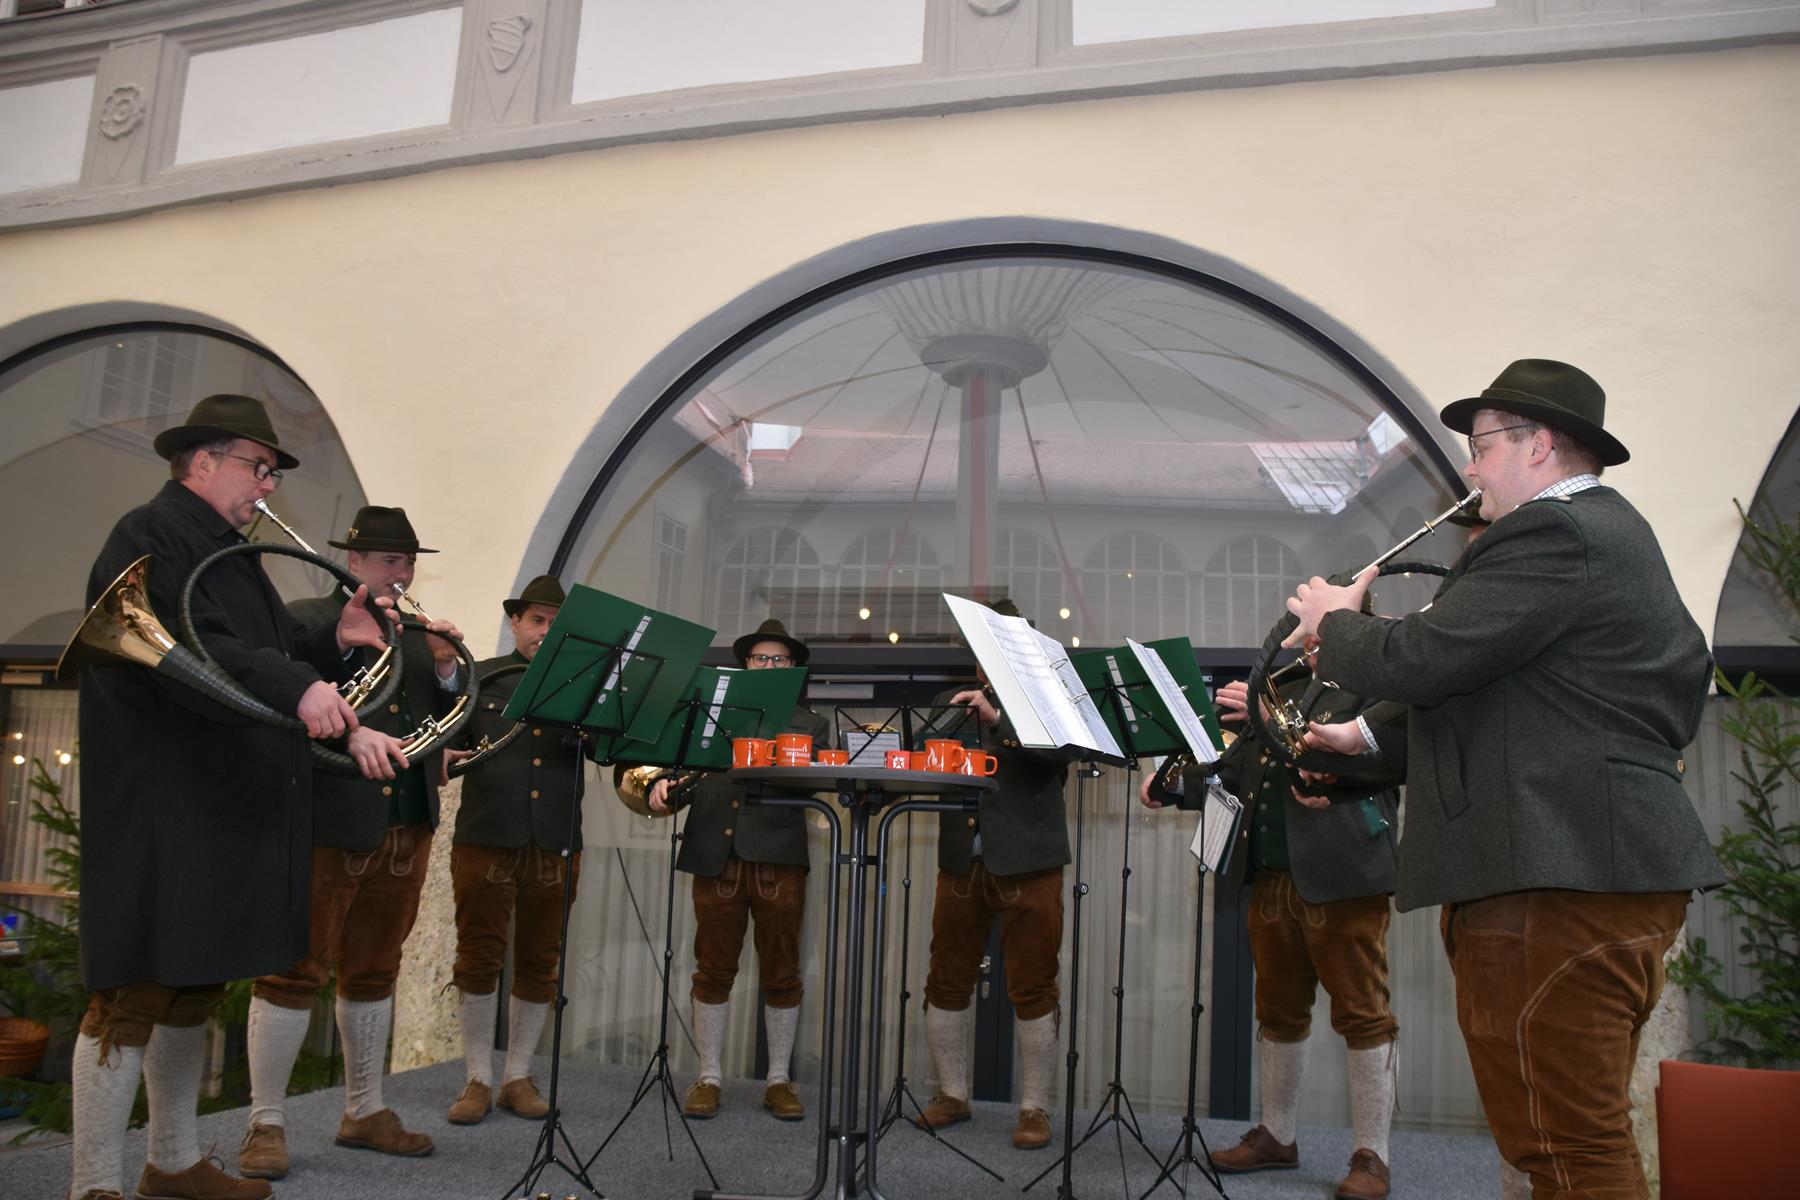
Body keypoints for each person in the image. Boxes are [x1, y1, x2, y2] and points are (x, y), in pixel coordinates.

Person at [1286, 360, 1725, 1200]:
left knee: (1567, 1145)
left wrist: (1337, 624)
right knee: (1556, 1139)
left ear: (1540, 446)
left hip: (1559, 878)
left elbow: (1430, 657)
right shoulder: (1596, 538)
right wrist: (1358, 739)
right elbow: (1501, 695)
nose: (1469, 468)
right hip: (1581, 873)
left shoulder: (1556, 533)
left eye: (1481, 446)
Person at [69, 394, 401, 1200]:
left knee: (194, 983)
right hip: (167, 804)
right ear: (202, 460)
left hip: (220, 804)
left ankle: (172, 1163)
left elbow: (265, 648)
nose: (267, 485)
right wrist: (299, 686)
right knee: (132, 993)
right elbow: (203, 646)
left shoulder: (229, 551)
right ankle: (92, 1184)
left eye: (271, 472)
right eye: (259, 467)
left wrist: (331, 641)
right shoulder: (151, 533)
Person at [240, 506, 464, 1179]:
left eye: (409, 562)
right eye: (391, 561)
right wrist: (341, 646)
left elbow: (445, 720)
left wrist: (447, 668)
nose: (403, 573)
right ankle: (264, 1122)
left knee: (375, 969)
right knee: (293, 970)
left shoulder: (419, 634)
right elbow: (279, 700)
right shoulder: (308, 617)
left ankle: (364, 1110)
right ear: (355, 562)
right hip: (329, 823)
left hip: (406, 826)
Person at [1141, 660, 1402, 1200]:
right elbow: (1237, 772)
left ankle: (1372, 1155)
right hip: (1269, 875)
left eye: (1313, 625)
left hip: (1346, 873)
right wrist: (1173, 786)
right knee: (1279, 1012)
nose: (1303, 636)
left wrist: (1267, 715)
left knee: (1363, 1013)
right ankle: (1278, 1137)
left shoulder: (1377, 679)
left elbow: (1379, 759)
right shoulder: (1283, 685)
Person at [646, 617, 828, 1121]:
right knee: (712, 969)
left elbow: (811, 784)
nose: (768, 665)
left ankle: (778, 1080)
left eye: (778, 659)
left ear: (793, 668)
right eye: (759, 658)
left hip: (779, 858)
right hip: (715, 852)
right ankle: (708, 1076)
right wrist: (661, 782)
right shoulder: (708, 709)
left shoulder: (810, 723)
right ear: (745, 664)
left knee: (782, 972)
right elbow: (679, 767)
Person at [914, 599, 1072, 1151]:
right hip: (962, 860)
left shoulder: (1048, 699)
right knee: (946, 977)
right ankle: (952, 1094)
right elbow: (926, 761)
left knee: (1033, 984)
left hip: (1031, 863)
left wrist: (998, 720)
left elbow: (1060, 758)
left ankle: (1035, 1107)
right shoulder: (949, 701)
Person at [442, 574, 587, 1125]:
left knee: (539, 962)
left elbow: (607, 750)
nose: (544, 631)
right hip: (486, 837)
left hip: (556, 842)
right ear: (515, 623)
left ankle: (517, 1076)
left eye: (555, 623)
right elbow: (445, 738)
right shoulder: (480, 675)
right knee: (478, 957)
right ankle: (478, 1077)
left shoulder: (581, 686)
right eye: (536, 620)